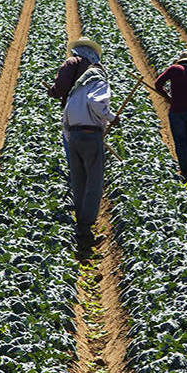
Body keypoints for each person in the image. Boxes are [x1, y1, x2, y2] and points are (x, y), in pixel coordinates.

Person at [59, 38, 118, 251]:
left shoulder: (76, 90)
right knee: (94, 182)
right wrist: (112, 117)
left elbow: (65, 115)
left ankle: (79, 225)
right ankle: (85, 228)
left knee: (78, 179)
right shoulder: (99, 82)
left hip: (73, 136)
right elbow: (97, 103)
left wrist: (69, 137)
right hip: (90, 136)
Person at [155, 51, 187, 181]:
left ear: (180, 61)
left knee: (180, 141)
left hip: (177, 111)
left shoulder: (173, 69)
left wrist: (167, 97)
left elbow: (158, 84)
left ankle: (185, 170)